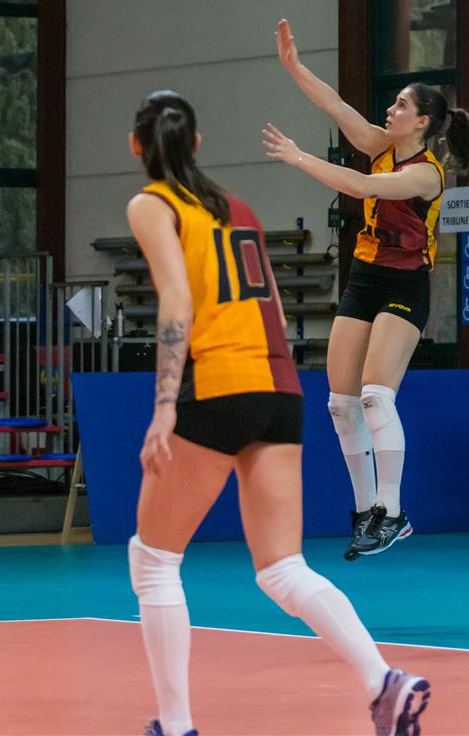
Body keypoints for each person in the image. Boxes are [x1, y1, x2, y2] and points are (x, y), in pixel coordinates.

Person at [126, 90, 432, 736]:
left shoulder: (153, 204)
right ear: (197, 144)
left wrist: (163, 404)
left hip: (218, 385)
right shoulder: (235, 207)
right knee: (282, 568)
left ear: (136, 147)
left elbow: (176, 301)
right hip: (279, 390)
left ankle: (176, 725)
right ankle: (383, 681)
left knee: (153, 560)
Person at [264, 20, 469, 559]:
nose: (390, 110)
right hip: (366, 277)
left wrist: (300, 157)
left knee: (375, 395)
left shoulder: (427, 174)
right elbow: (336, 105)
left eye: (400, 105)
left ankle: (393, 512)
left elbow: (364, 186)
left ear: (422, 122)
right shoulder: (380, 144)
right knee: (340, 405)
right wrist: (294, 66)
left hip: (405, 283)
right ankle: (366, 510)